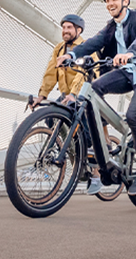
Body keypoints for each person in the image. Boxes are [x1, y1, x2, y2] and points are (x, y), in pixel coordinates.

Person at [56, 0, 136, 196]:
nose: (110, 3)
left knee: (133, 115)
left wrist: (130, 52)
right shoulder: (111, 27)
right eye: (107, 0)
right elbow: (93, 42)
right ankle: (105, 142)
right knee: (95, 88)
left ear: (125, 1)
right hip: (126, 73)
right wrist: (71, 55)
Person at [30, 14, 102, 194]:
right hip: (66, 96)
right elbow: (50, 73)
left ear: (78, 30)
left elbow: (84, 75)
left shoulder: (87, 48)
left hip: (84, 94)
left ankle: (96, 174)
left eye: (69, 28)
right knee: (51, 119)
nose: (65, 31)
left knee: (86, 129)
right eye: (63, 27)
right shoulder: (59, 49)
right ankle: (73, 156)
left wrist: (73, 95)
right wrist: (42, 95)